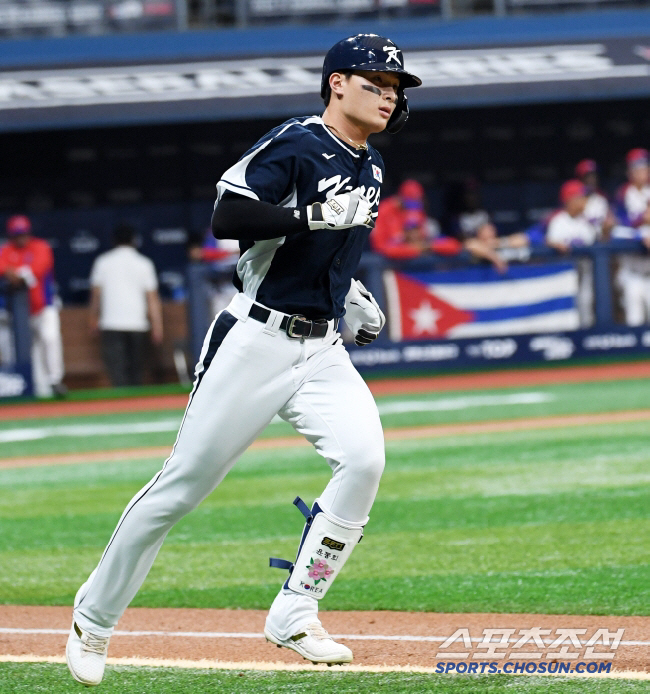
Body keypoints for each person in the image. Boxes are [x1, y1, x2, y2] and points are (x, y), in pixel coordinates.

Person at [65, 34, 421, 686]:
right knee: (181, 487)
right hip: (255, 339)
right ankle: (93, 618)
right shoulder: (296, 141)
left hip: (321, 347)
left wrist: (355, 291)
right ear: (337, 82)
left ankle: (295, 609)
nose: (390, 95)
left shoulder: (372, 167)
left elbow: (331, 248)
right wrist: (313, 216)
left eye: (396, 87)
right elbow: (226, 215)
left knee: (365, 458)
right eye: (377, 81)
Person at [88, 223, 163, 387]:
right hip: (138, 325)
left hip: (111, 325)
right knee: (136, 375)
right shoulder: (145, 263)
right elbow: (152, 299)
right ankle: (137, 409)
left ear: (113, 240)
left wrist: (93, 319)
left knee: (117, 376)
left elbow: (96, 297)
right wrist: (157, 326)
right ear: (134, 240)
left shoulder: (102, 262)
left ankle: (119, 409)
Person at [0, 215, 66, 397]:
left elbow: (36, 270)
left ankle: (55, 380)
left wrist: (15, 272)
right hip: (18, 312)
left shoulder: (41, 247)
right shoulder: (6, 250)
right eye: (17, 234)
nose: (21, 237)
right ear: (11, 235)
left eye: (24, 233)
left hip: (44, 306)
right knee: (27, 350)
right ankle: (36, 387)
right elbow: (2, 266)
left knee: (50, 339)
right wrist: (10, 271)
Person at [546, 179, 600, 327]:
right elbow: (548, 241)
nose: (585, 201)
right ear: (570, 200)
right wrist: (553, 243)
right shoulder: (558, 221)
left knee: (586, 311)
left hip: (584, 274)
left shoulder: (588, 222)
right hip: (564, 277)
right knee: (565, 316)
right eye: (581, 197)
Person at [371, 179, 460, 259]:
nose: (415, 233)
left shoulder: (417, 212)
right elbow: (383, 249)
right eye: (410, 229)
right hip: (392, 266)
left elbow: (454, 245)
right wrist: (414, 249)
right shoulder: (384, 211)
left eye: (416, 228)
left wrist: (428, 246)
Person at [614, 148, 650, 325]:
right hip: (632, 270)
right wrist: (640, 225)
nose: (642, 171)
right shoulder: (623, 194)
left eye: (644, 166)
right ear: (629, 171)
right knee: (634, 322)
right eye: (637, 167)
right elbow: (617, 229)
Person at [574, 159, 616, 236]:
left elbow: (610, 220)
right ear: (580, 178)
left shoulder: (602, 199)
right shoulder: (574, 201)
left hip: (599, 240)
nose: (591, 180)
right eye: (587, 177)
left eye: (594, 176)